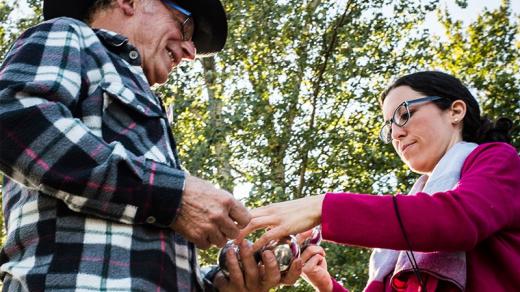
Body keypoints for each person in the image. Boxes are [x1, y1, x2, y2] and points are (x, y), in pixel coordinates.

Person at [0, 0, 301, 290]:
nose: (190, 52)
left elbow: (142, 263)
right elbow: (12, 118)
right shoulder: (68, 35)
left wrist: (224, 283)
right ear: (129, 1)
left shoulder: (155, 124)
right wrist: (174, 196)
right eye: (185, 28)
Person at [237, 71, 520, 291]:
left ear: (455, 111)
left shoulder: (497, 160)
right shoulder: (410, 211)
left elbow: (455, 220)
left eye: (404, 114)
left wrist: (323, 207)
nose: (395, 134)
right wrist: (326, 285)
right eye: (389, 127)